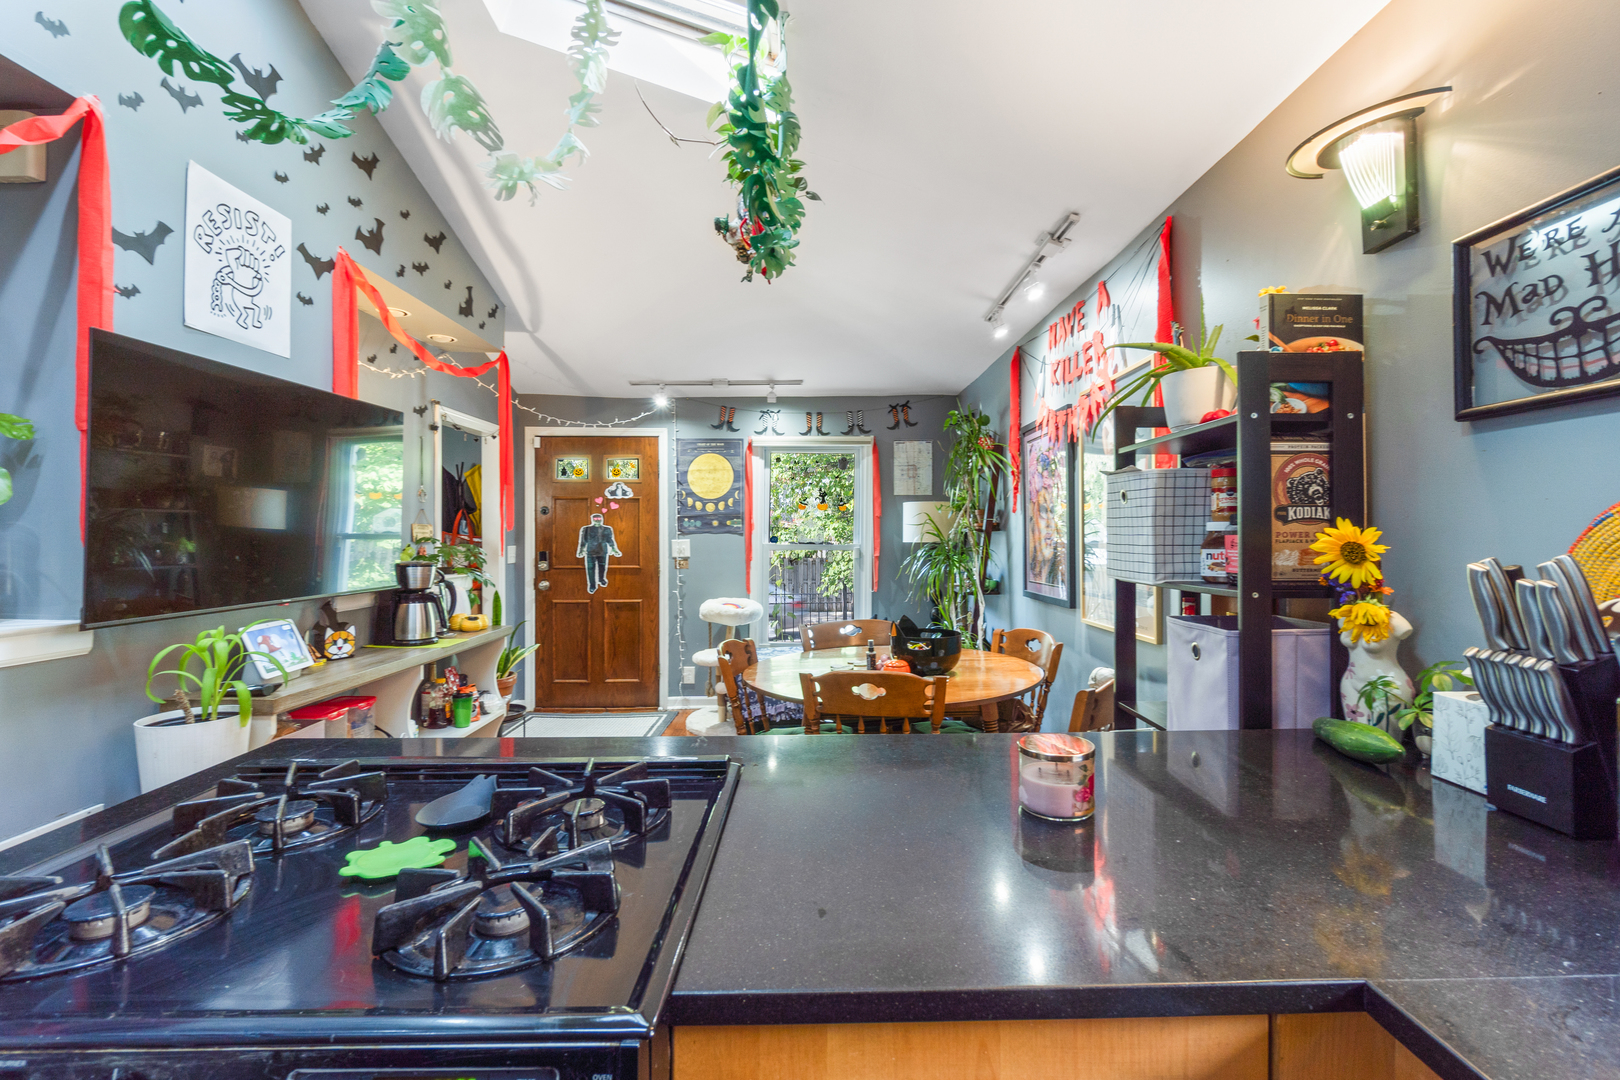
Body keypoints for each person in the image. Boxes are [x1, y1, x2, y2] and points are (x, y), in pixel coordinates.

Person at [577, 513, 622, 594]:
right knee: (590, 569)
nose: (597, 520)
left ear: (602, 519)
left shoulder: (607, 529)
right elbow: (583, 540)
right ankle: (592, 585)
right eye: (595, 519)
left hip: (602, 551)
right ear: (592, 519)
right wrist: (581, 550)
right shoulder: (586, 529)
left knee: (602, 567)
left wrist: (614, 549)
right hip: (591, 552)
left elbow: (610, 540)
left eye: (599, 518)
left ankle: (601, 579)